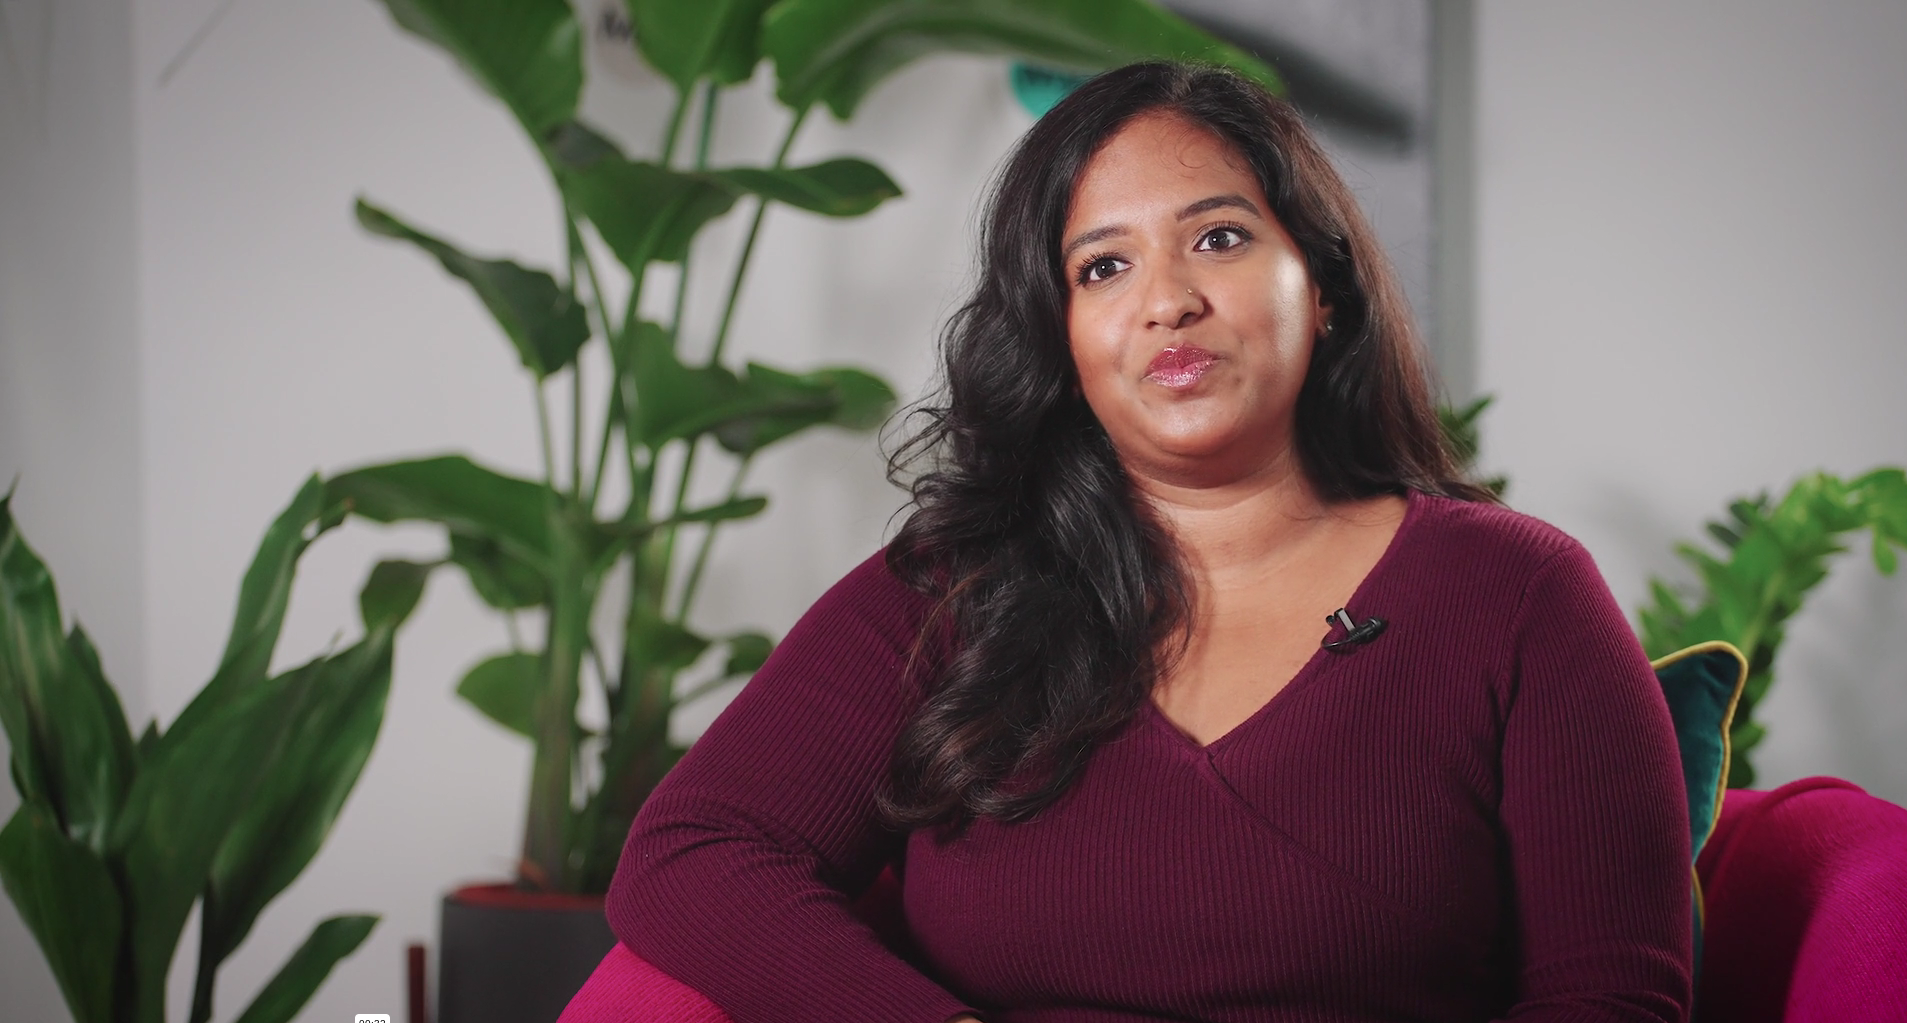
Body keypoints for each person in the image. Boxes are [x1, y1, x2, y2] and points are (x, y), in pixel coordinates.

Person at [606, 62, 1693, 1023]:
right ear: (1060, 339)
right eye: (1100, 268)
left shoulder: (1517, 593)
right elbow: (694, 852)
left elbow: (1609, 996)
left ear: (1319, 286)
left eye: (1217, 238)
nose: (1166, 302)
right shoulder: (955, 590)